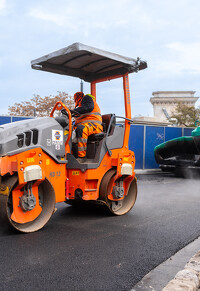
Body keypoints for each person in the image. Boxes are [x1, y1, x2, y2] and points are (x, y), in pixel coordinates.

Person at [72, 92, 103, 163]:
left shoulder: (87, 99)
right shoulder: (80, 106)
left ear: (77, 98)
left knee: (81, 129)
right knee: (68, 131)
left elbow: (88, 107)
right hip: (86, 125)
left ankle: (82, 157)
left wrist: (74, 111)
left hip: (94, 125)